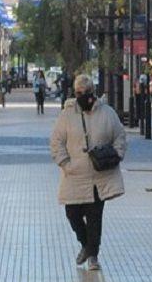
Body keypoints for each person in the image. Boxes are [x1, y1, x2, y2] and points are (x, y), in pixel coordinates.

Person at [49, 76, 126, 271]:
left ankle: (93, 255)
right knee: (72, 214)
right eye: (79, 93)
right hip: (74, 175)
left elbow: (120, 137)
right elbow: (56, 141)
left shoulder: (107, 113)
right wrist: (65, 164)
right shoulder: (66, 115)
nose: (83, 97)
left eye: (87, 92)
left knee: (94, 217)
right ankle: (85, 244)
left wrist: (116, 155)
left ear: (93, 92)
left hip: (99, 177)